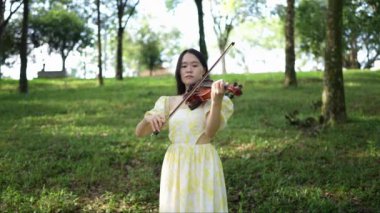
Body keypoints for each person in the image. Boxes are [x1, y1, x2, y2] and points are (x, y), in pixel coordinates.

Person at [135, 48, 233, 212]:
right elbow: (139, 133)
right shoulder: (167, 102)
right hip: (176, 163)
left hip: (204, 160)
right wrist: (147, 119)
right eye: (184, 66)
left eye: (195, 65)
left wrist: (216, 102)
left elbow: (210, 132)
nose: (189, 69)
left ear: (204, 71)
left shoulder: (211, 99)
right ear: (179, 72)